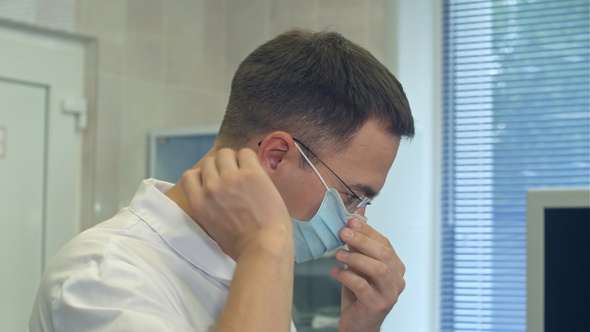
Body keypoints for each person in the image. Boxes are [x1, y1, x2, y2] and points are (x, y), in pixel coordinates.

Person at [28, 28, 415, 331]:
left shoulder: (241, 263)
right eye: (351, 196)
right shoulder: (104, 278)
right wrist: (268, 246)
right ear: (276, 155)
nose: (355, 221)